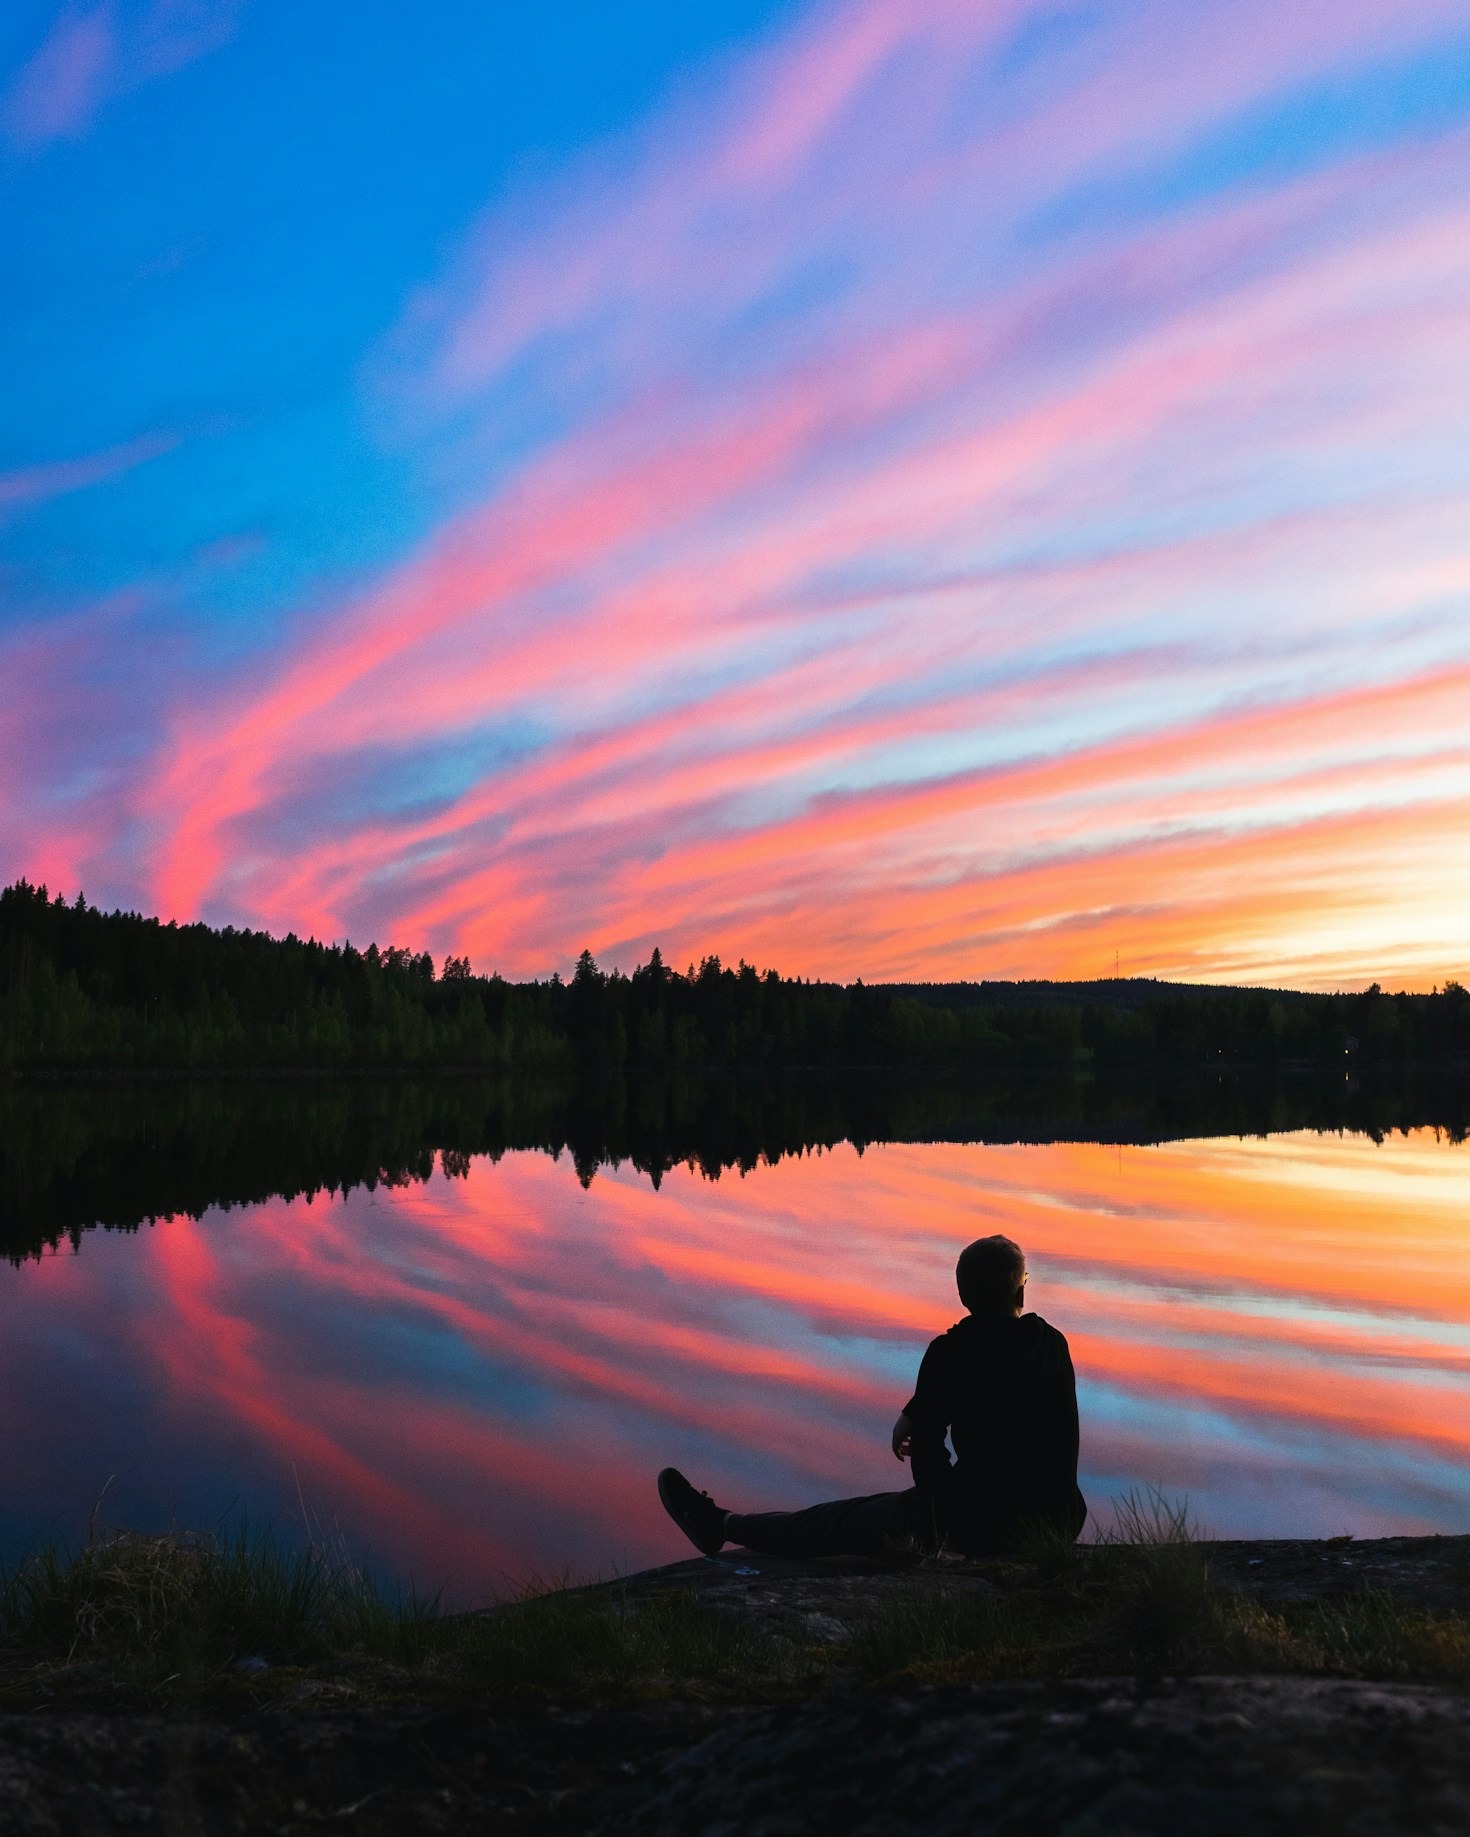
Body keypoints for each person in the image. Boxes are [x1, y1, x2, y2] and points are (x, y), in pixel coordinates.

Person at [657, 1234, 1086, 1561]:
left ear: (962, 1297)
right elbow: (999, 1364)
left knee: (837, 1521)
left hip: (980, 1526)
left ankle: (722, 1525)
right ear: (1021, 1290)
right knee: (868, 1514)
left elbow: (929, 1457)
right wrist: (916, 1409)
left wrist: (935, 1510)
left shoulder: (950, 1353)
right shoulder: (1052, 1344)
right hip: (1058, 1520)